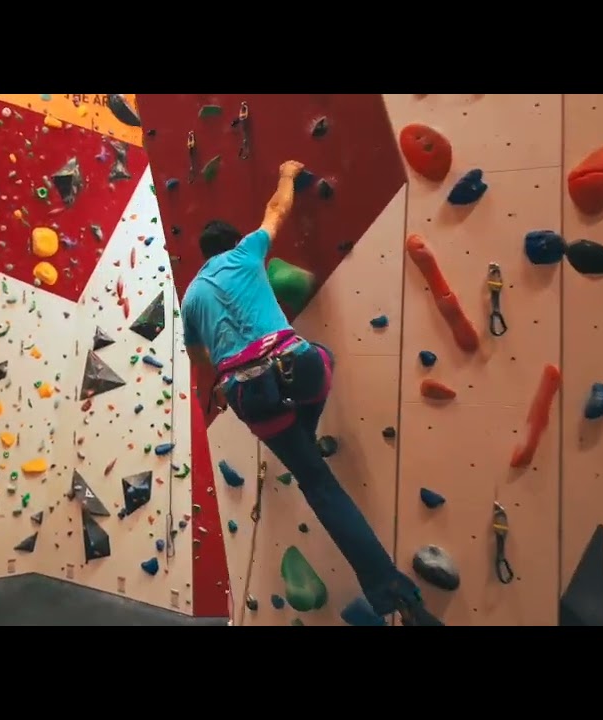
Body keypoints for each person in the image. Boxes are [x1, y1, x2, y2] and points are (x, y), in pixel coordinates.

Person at [180, 159, 444, 627]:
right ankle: (306, 432)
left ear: (203, 256)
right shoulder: (246, 252)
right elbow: (277, 210)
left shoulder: (192, 298)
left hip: (247, 396)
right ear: (232, 243)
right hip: (295, 366)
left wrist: (224, 373)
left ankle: (396, 597)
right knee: (322, 358)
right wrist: (285, 173)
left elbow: (201, 360)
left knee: (319, 484)